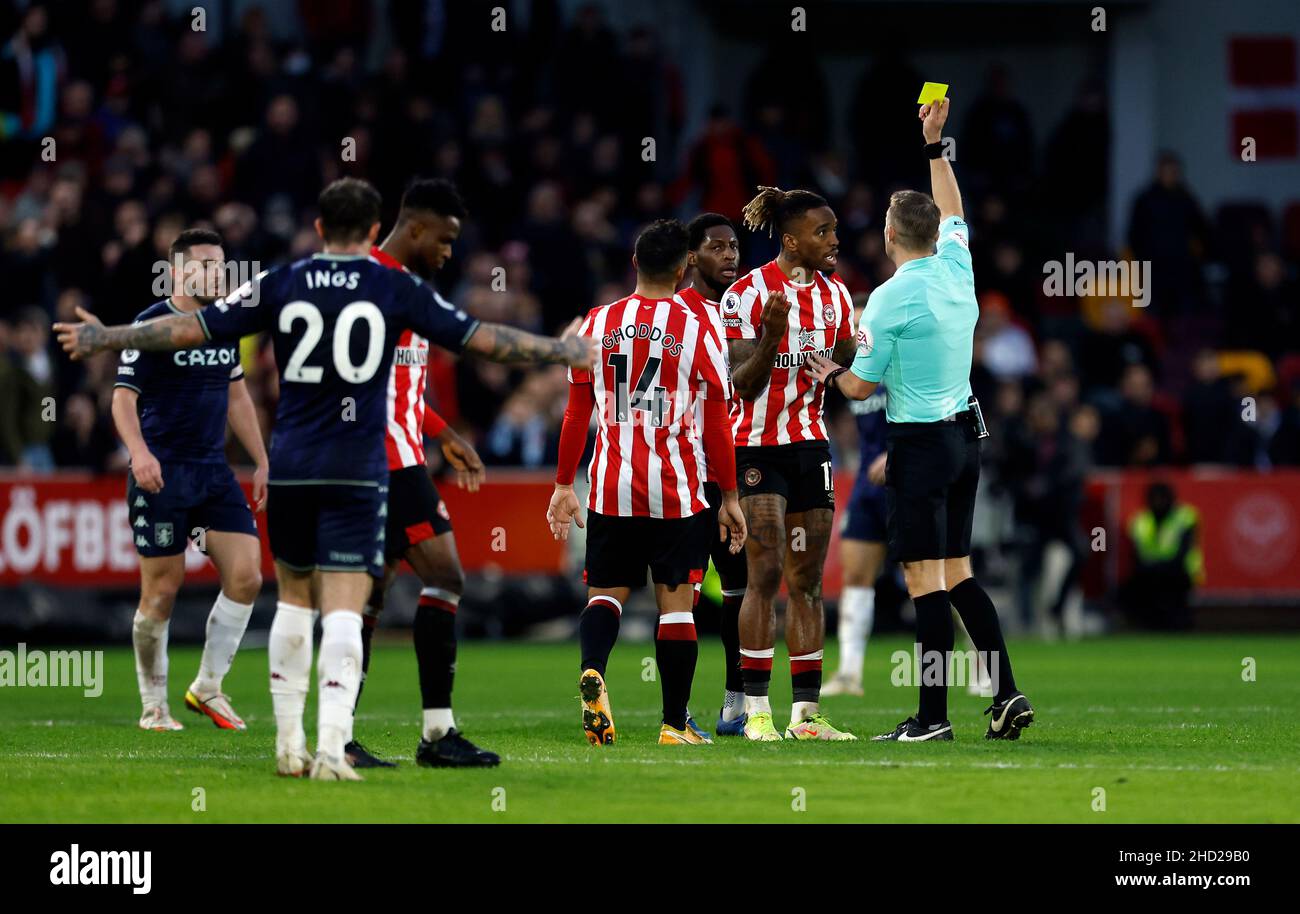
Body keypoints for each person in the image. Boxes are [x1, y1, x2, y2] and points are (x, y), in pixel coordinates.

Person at [55, 177, 596, 780]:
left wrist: (110, 337)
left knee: (291, 600)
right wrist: (558, 351)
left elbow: (186, 330)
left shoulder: (282, 281)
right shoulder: (394, 286)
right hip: (359, 470)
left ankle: (291, 747)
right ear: (371, 232)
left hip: (292, 465)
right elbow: (482, 341)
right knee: (345, 604)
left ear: (317, 229)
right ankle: (334, 748)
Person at [806, 97, 1034, 742]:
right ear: (935, 234)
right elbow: (954, 209)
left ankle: (932, 717)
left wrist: (823, 366)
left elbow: (858, 385)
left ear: (887, 237)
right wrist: (936, 145)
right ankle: (1006, 695)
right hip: (967, 436)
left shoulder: (887, 298)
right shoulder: (957, 265)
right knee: (958, 570)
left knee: (924, 579)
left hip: (921, 442)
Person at [545, 218, 746, 747]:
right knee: (677, 607)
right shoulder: (699, 323)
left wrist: (565, 485)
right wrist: (728, 494)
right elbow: (718, 422)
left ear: (634, 263)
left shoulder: (595, 323)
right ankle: (675, 724)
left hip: (611, 482)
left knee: (605, 597)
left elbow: (574, 413)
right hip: (677, 488)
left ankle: (594, 671)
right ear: (684, 269)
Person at [349, 178, 498, 770]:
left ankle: (339, 734)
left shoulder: (405, 288)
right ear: (415, 228)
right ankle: (437, 735)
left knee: (367, 599)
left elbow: (399, 383)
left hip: (406, 451)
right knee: (446, 575)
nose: (449, 251)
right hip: (385, 463)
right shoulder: (372, 283)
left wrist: (442, 432)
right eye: (445, 238)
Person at [110, 227, 267, 733]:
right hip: (162, 472)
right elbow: (122, 399)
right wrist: (139, 455)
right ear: (177, 271)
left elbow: (237, 395)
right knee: (162, 590)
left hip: (212, 470)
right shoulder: (151, 324)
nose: (216, 273)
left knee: (247, 576)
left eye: (221, 264)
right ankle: (153, 705)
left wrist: (261, 460)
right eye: (205, 264)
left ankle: (207, 687)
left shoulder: (224, 325)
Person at [723, 186, 858, 742]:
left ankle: (806, 716)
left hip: (809, 446)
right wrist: (772, 339)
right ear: (791, 239)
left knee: (807, 581)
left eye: (833, 231)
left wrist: (836, 367)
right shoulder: (746, 295)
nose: (833, 240)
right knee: (765, 573)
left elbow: (850, 359)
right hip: (755, 446)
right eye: (822, 232)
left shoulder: (839, 297)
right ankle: (757, 712)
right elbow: (741, 382)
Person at [679, 213, 749, 736]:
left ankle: (736, 700)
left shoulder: (743, 308)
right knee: (674, 593)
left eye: (734, 246)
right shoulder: (671, 312)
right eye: (716, 247)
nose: (729, 255)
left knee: (740, 587)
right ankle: (672, 710)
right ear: (690, 257)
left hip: (734, 464)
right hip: (677, 470)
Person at [823, 302, 888, 696]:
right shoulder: (851, 376)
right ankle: (849, 673)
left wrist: (897, 452)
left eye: (866, 323)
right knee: (856, 577)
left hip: (907, 481)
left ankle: (982, 661)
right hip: (867, 485)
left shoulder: (900, 364)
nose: (860, 331)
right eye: (855, 325)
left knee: (938, 580)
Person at [1121, 481, 1203, 630]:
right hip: (1149, 574)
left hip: (1180, 573)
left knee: (1174, 605)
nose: (1158, 503)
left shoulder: (1185, 517)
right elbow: (1136, 556)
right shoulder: (1141, 521)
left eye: (1161, 499)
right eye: (1154, 499)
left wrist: (1157, 567)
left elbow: (1182, 554)